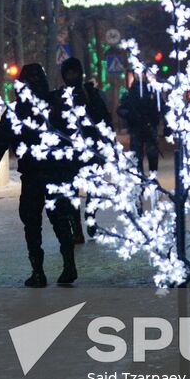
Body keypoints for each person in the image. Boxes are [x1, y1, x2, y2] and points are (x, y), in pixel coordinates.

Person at [0, 63, 79, 287]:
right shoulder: (56, 105)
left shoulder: (20, 109)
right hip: (55, 173)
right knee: (59, 220)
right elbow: (74, 136)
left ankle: (39, 272)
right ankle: (68, 266)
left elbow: (1, 139)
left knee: (33, 222)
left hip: (34, 174)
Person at [55, 56, 112, 245]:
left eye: (74, 72)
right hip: (69, 153)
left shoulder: (90, 94)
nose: (71, 76)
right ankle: (77, 230)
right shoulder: (60, 96)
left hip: (91, 150)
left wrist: (105, 143)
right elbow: (55, 124)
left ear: (79, 73)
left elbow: (104, 119)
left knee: (93, 190)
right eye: (68, 73)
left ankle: (90, 218)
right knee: (71, 193)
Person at [117, 77, 163, 176]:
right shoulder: (130, 94)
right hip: (137, 128)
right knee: (139, 155)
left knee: (150, 153)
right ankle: (142, 176)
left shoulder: (150, 92)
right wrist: (132, 116)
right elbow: (121, 110)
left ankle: (148, 175)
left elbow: (160, 107)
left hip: (148, 126)